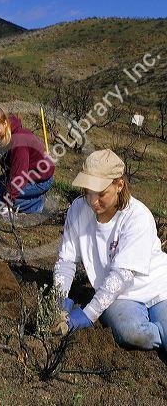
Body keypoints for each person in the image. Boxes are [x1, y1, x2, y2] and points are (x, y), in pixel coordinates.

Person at [53, 149, 167, 352]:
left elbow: (122, 275)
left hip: (158, 286)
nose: (93, 201)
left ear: (119, 184)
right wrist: (59, 297)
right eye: (88, 192)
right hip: (121, 296)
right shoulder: (78, 210)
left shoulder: (137, 216)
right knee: (132, 334)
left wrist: (88, 314)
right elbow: (66, 260)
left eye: (102, 193)